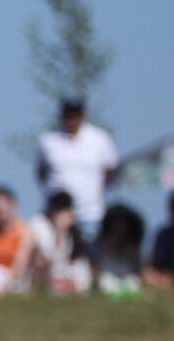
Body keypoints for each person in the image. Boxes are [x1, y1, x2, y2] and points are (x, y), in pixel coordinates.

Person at [34, 99, 119, 242]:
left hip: (90, 214)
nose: (72, 119)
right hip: (56, 214)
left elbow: (110, 170)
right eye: (69, 115)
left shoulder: (100, 139)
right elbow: (41, 171)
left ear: (83, 115)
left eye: (76, 115)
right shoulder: (48, 140)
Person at [27, 191, 94, 295]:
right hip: (41, 277)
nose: (60, 214)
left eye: (64, 210)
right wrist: (59, 231)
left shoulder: (74, 235)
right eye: (58, 210)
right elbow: (45, 258)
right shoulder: (39, 225)